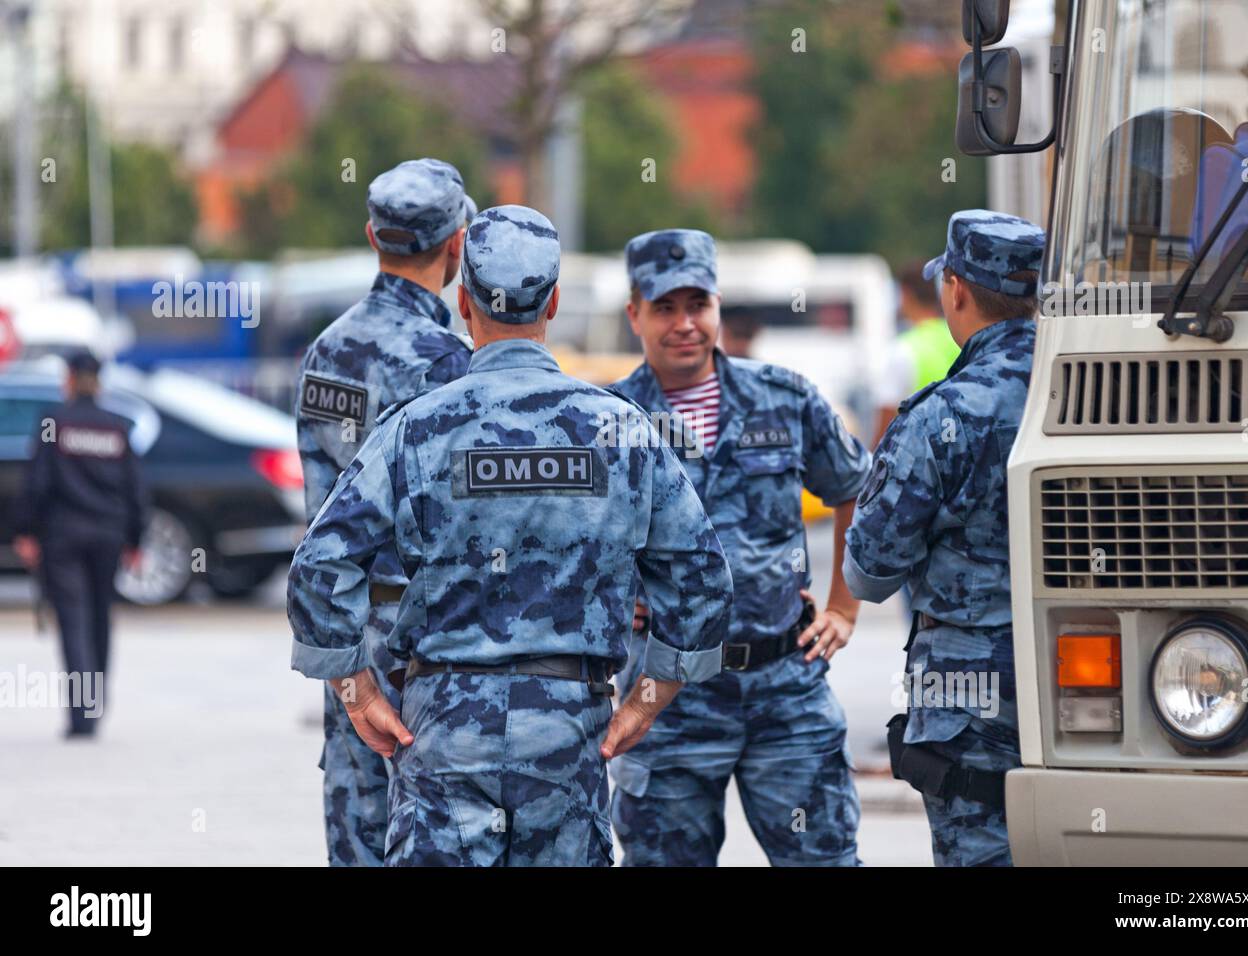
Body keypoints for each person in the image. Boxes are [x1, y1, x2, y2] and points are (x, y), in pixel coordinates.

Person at [287, 205, 734, 867]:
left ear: (462, 302)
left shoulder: (417, 429)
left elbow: (322, 567)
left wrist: (357, 693)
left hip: (440, 730)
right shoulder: (621, 430)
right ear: (553, 300)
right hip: (567, 730)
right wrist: (646, 701)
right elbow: (702, 586)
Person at [608, 228, 868, 867]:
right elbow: (568, 540)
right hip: (664, 699)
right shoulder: (608, 418)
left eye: (698, 305)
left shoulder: (784, 397)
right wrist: (616, 602)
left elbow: (856, 486)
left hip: (785, 687)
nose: (685, 324)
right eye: (665, 307)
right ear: (634, 313)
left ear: (719, 306)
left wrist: (845, 606)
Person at [842, 209, 1044, 867]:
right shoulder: (1106, 392)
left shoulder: (942, 416)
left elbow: (868, 573)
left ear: (954, 288)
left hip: (968, 693)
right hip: (1102, 671)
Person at [294, 158, 475, 867]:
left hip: (350, 646)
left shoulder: (326, 352)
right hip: (434, 647)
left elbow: (319, 518)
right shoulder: (450, 365)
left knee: (361, 835)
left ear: (374, 235)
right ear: (458, 244)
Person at [13, 352, 147, 739]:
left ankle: (81, 717)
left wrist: (25, 531)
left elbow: (36, 483)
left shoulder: (55, 423)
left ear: (69, 379)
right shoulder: (117, 427)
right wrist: (136, 538)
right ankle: (94, 707)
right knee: (100, 619)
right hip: (108, 536)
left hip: (63, 537)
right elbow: (135, 487)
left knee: (74, 622)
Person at [872, 260, 962, 446]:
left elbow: (885, 428)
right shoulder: (958, 340)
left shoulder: (903, 349)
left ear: (905, 293)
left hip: (922, 461)